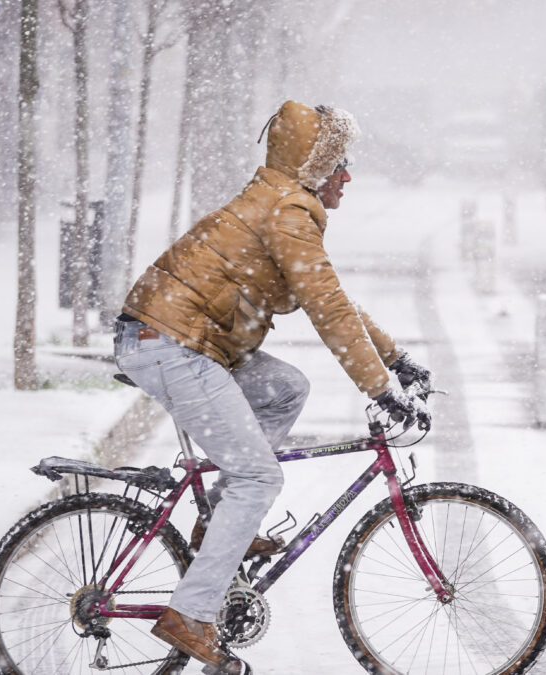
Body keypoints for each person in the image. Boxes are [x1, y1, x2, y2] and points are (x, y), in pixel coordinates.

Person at [113, 100, 431, 673]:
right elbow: (326, 304)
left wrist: (397, 358)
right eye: (340, 164)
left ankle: (217, 519)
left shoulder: (286, 203)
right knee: (260, 475)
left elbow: (330, 296)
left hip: (184, 339)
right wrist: (379, 388)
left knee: (284, 387)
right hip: (169, 341)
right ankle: (190, 615)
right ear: (316, 166)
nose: (348, 176)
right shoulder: (288, 210)